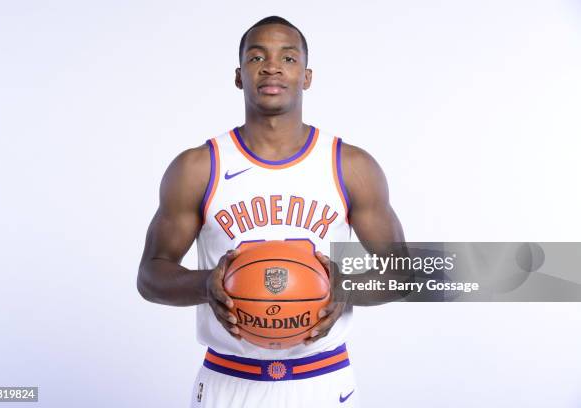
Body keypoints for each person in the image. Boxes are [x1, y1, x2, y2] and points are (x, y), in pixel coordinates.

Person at [137, 16, 407, 408]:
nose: (272, 66)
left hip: (323, 380)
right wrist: (206, 286)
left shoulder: (350, 165)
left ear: (307, 76)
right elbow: (150, 274)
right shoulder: (198, 167)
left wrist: (343, 288)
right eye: (257, 56)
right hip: (228, 382)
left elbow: (402, 271)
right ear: (239, 75)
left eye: (289, 58)